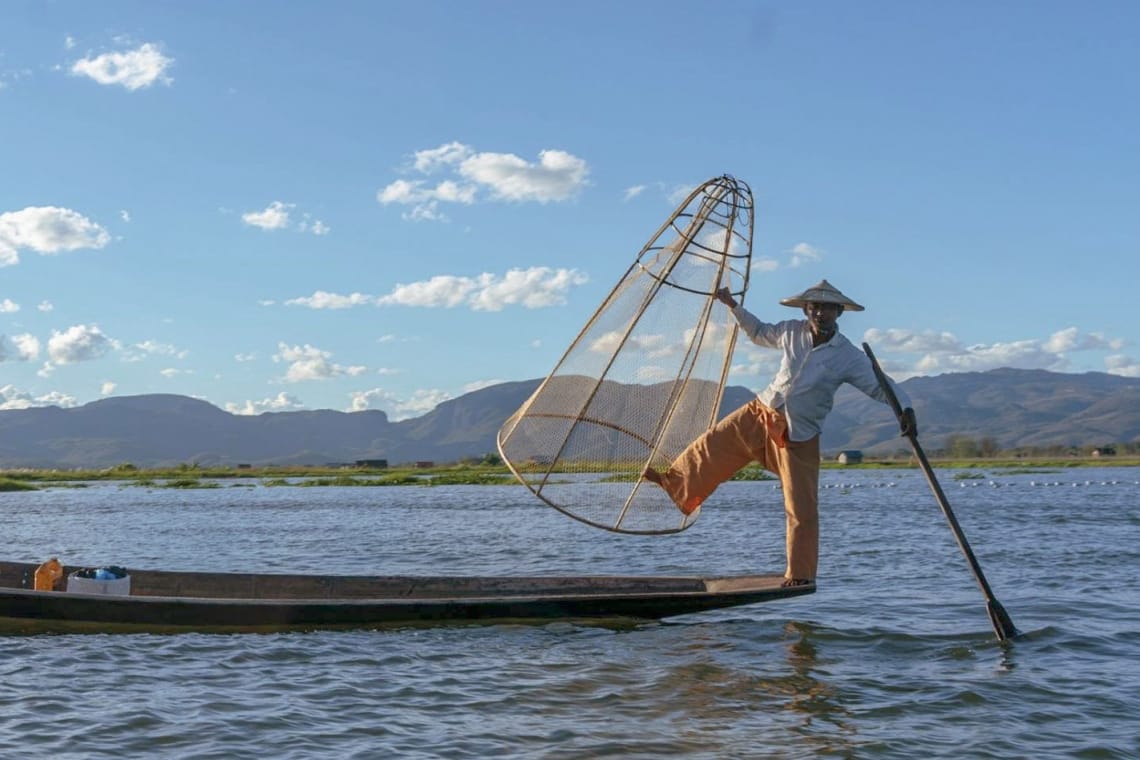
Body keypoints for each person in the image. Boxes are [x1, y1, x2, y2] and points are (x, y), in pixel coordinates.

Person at [642, 279, 915, 588]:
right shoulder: (791, 331)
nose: (819, 314)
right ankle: (674, 481)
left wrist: (904, 408)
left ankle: (799, 575)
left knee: (801, 507)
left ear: (838, 312)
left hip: (799, 433)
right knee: (712, 444)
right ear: (806, 310)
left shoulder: (848, 356)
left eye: (826, 308)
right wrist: (733, 305)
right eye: (813, 308)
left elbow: (880, 385)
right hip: (763, 411)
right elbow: (759, 332)